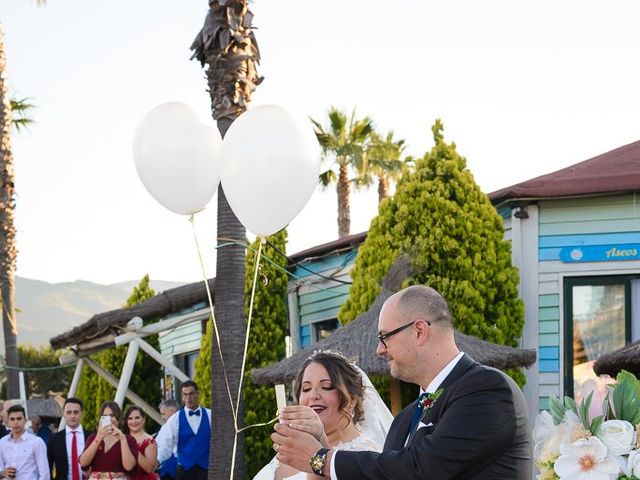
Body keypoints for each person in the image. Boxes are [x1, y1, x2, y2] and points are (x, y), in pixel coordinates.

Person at [273, 285, 532, 479]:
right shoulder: (405, 419)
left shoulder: (487, 389)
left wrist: (321, 459)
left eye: (385, 336)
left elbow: (422, 469)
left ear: (419, 331)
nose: (379, 350)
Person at [254, 351, 393, 480]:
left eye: (326, 387)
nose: (313, 396)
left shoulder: (365, 458)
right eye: (306, 389)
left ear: (351, 400)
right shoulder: (293, 448)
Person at [156, 381, 211, 480]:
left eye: (191, 393)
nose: (188, 398)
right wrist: (156, 462)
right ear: (182, 397)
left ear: (197, 394)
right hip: (184, 471)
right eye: (185, 394)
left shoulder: (210, 415)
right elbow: (166, 445)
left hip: (207, 470)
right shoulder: (175, 419)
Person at [79, 401, 138, 479]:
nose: (109, 419)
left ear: (118, 419)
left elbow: (129, 466)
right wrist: (99, 437)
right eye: (105, 416)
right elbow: (83, 463)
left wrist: (122, 439)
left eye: (112, 415)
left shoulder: (129, 440)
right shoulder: (93, 438)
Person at [0, 404, 50, 479]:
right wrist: (3, 473)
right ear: (8, 421)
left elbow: (44, 474)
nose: (16, 422)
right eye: (12, 419)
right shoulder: (2, 442)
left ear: (25, 420)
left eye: (19, 418)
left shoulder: (36, 442)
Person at [47, 397, 91, 480]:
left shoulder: (91, 437)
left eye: (76, 412)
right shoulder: (54, 439)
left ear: (82, 413)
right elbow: (48, 466)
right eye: (69, 412)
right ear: (63, 413)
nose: (72, 416)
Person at [123, 405, 158, 480]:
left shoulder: (149, 441)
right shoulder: (123, 439)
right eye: (130, 418)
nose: (134, 421)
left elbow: (149, 469)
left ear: (143, 419)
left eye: (137, 418)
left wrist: (133, 447)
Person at [157, 399, 179, 480]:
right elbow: (156, 444)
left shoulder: (184, 422)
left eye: (163, 414)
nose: (162, 417)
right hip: (165, 469)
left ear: (172, 411)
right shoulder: (164, 427)